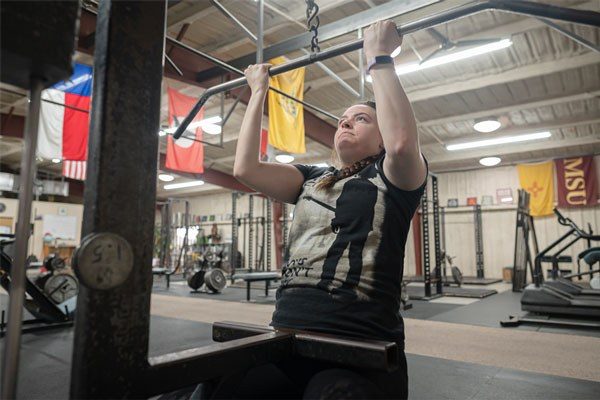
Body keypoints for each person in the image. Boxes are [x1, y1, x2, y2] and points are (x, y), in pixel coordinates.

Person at [231, 19, 428, 400]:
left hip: (358, 348)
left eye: (361, 118)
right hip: (286, 339)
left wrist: (379, 58)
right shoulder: (311, 177)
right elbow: (245, 170)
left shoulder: (393, 175)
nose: (345, 123)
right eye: (342, 119)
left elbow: (402, 144)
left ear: (381, 134)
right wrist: (259, 92)